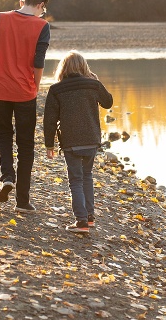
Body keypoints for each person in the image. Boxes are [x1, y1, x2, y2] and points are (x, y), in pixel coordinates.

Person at [0, 0, 50, 213]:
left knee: (3, 135)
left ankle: (6, 178)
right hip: (25, 93)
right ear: (40, 5)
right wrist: (36, 86)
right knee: (25, 145)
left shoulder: (0, 18)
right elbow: (38, 63)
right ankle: (22, 201)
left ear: (22, 2)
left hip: (0, 89)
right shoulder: (42, 26)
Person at [43, 51, 113, 233]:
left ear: (63, 68)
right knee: (87, 176)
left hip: (71, 141)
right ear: (84, 67)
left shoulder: (56, 89)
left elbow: (49, 119)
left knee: (76, 180)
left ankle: (81, 221)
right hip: (91, 140)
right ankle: (89, 217)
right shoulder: (93, 85)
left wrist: (49, 145)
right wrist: (97, 81)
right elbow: (109, 102)